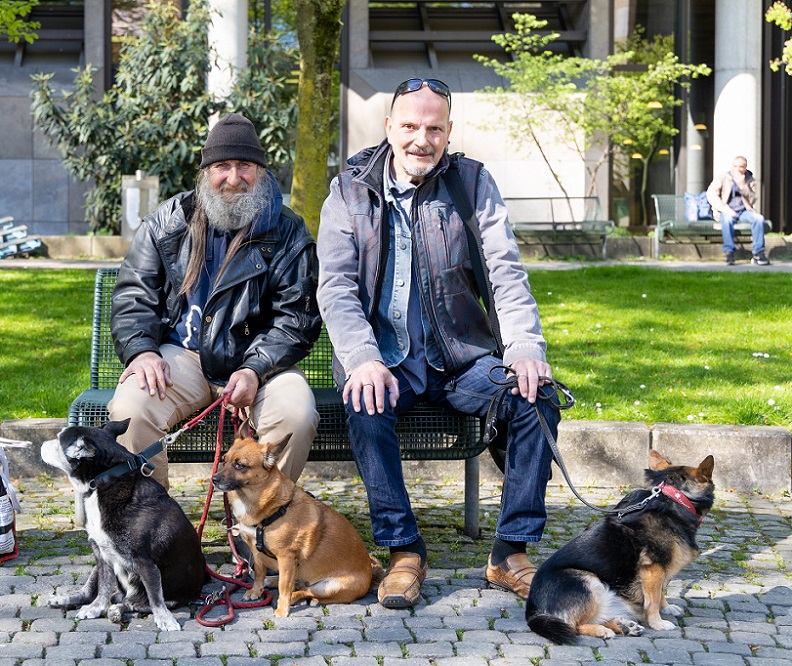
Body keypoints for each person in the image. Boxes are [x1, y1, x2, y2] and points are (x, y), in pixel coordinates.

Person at [316, 78, 560, 607]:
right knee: (365, 400)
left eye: (433, 128)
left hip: (460, 360)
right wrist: (360, 358)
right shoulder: (349, 191)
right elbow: (335, 287)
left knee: (536, 397)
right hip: (383, 361)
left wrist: (524, 348)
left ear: (448, 132)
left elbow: (505, 272)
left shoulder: (472, 183)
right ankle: (404, 551)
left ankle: (509, 553)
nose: (421, 139)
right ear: (388, 128)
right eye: (409, 126)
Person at [108, 113, 321, 489]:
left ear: (261, 172)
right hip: (182, 356)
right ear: (206, 172)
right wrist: (142, 350)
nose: (234, 178)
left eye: (245, 166)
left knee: (296, 415)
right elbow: (133, 295)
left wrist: (255, 369)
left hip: (259, 361)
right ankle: (154, 522)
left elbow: (296, 318)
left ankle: (259, 525)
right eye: (222, 166)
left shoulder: (288, 231)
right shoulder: (166, 222)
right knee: (131, 410)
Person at [705, 156, 770, 266]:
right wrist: (725, 209)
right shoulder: (724, 177)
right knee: (727, 220)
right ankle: (729, 252)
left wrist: (742, 186)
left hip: (744, 211)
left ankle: (758, 253)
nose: (738, 169)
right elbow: (711, 194)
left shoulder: (750, 179)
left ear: (745, 167)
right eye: (735, 166)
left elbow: (753, 199)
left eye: (741, 167)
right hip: (726, 211)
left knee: (759, 219)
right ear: (732, 166)